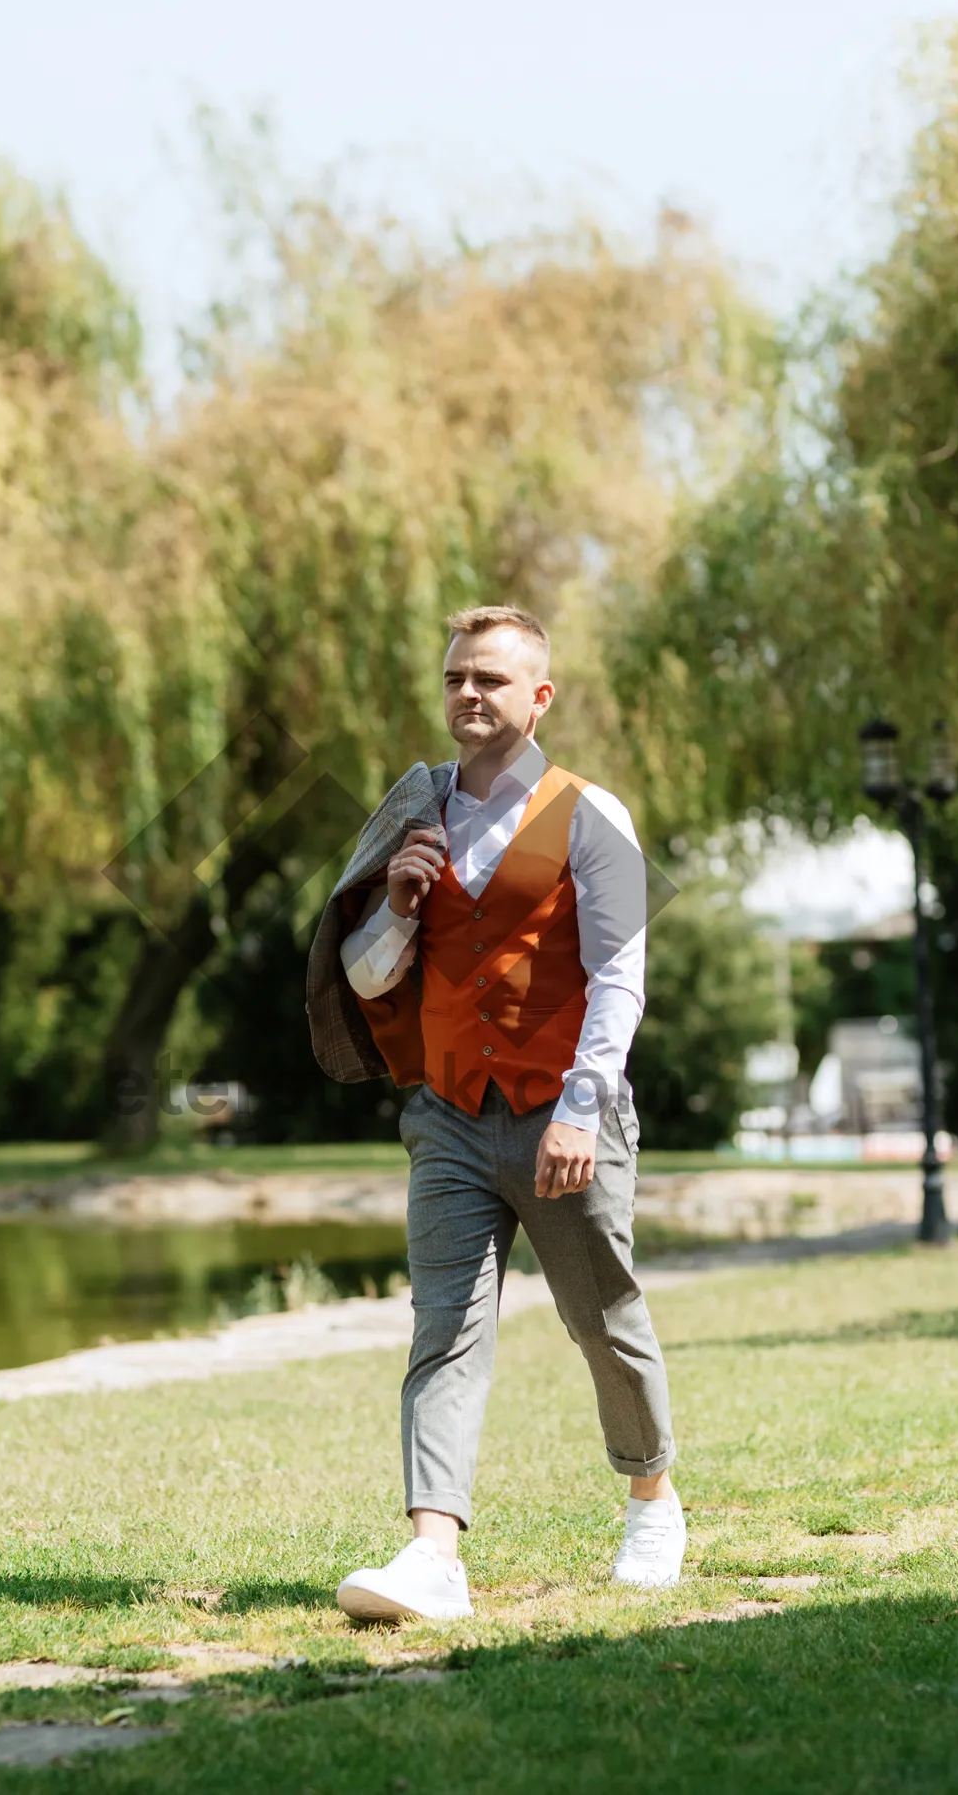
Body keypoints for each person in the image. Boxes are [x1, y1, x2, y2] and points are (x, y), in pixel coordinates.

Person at [304, 603, 684, 1622]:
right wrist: (397, 905)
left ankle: (651, 1496)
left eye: (491, 680)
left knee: (601, 1317)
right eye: (456, 678)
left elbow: (619, 978)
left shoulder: (590, 813)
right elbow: (368, 976)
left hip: (565, 1112)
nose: (468, 694)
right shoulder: (413, 813)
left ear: (539, 697)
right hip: (448, 1114)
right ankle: (434, 1555)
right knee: (444, 1328)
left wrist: (578, 1109)